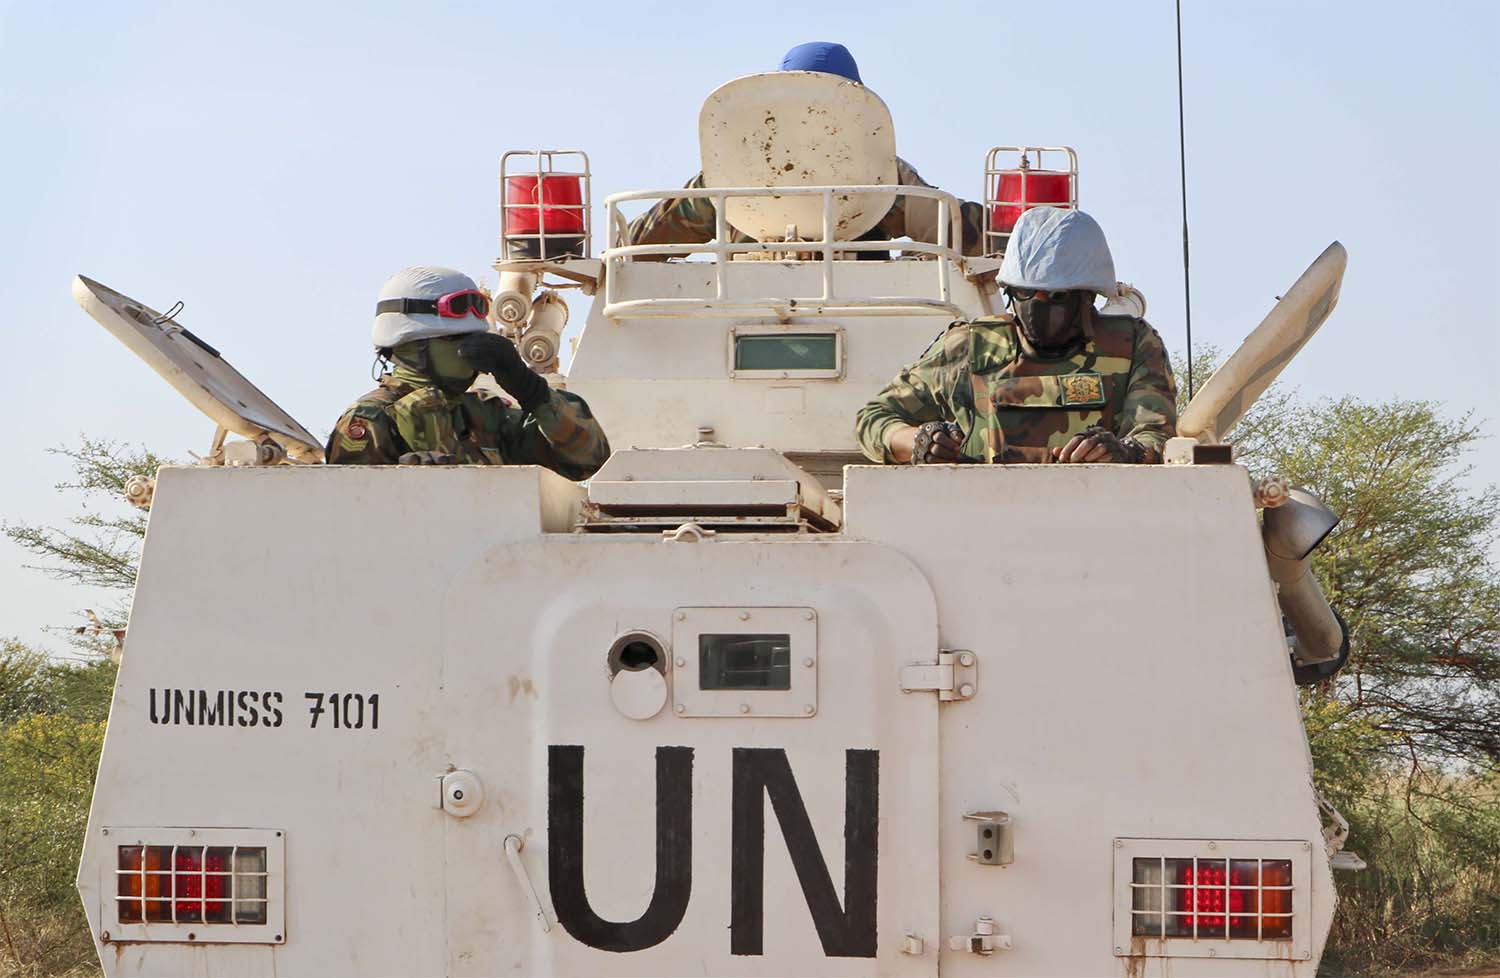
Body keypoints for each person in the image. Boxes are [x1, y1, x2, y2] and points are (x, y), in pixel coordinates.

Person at [855, 206, 1177, 464]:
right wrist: (920, 441)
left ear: (1087, 297)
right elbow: (874, 419)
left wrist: (1125, 452)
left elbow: (1156, 435)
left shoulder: (1132, 346)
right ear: (1009, 292)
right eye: (1025, 294)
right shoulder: (970, 348)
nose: (1037, 307)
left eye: (1056, 298)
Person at [626, 41, 986, 257]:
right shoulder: (881, 176)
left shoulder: (731, 174)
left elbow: (643, 244)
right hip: (864, 310)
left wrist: (610, 256)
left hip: (742, 302)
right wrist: (1015, 227)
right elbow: (955, 231)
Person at [326, 265, 610, 479]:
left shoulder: (485, 414)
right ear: (412, 346)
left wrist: (531, 390)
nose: (470, 353)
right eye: (455, 341)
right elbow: (352, 520)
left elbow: (588, 459)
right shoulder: (372, 420)